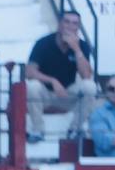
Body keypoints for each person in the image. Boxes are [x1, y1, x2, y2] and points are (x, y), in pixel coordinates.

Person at [26, 11, 97, 143]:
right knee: (32, 86)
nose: (70, 26)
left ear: (78, 28)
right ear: (59, 25)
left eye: (74, 23)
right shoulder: (43, 43)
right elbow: (29, 72)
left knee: (90, 87)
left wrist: (76, 50)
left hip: (66, 94)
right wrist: (53, 81)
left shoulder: (82, 46)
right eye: (67, 22)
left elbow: (86, 75)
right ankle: (37, 130)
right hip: (45, 94)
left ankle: (75, 129)